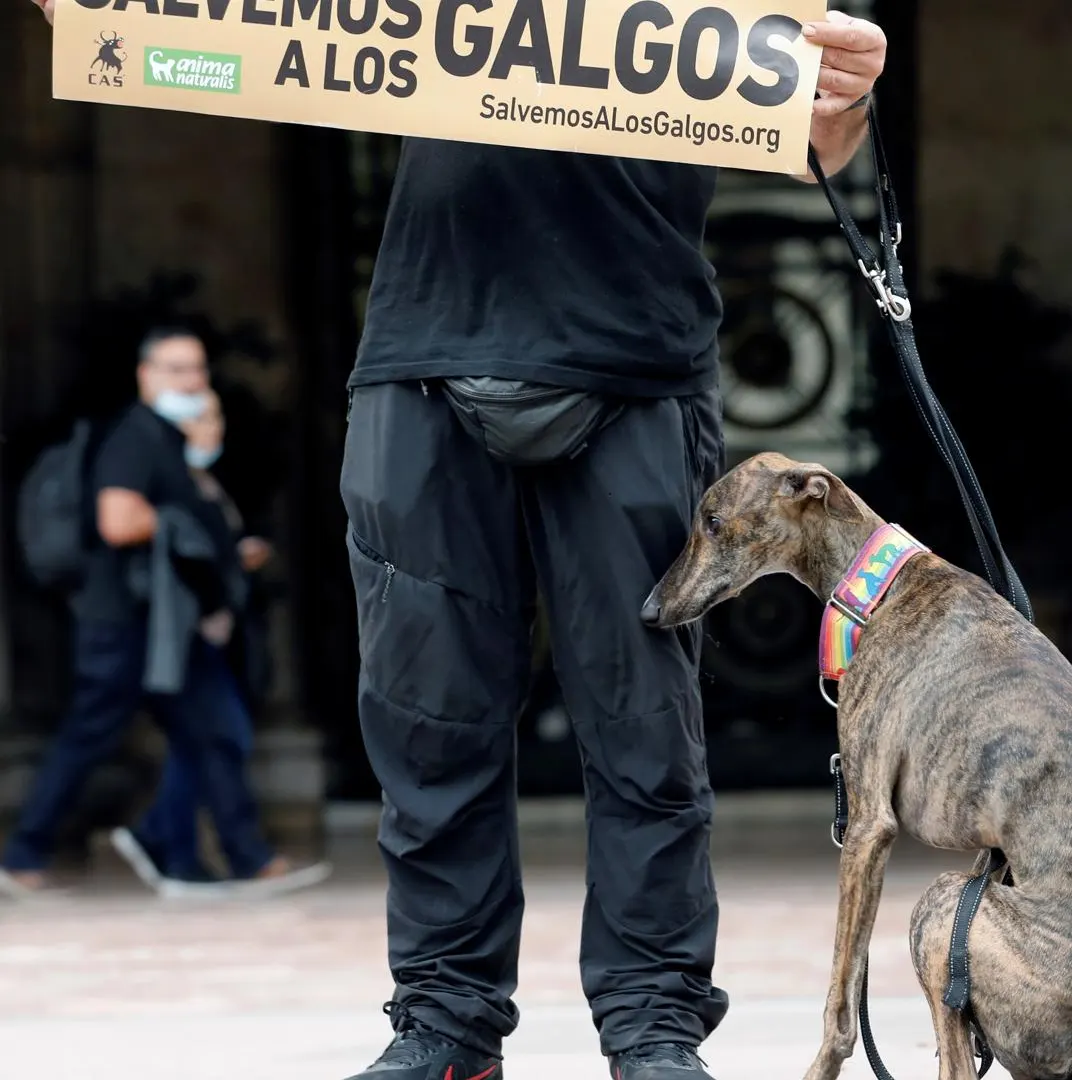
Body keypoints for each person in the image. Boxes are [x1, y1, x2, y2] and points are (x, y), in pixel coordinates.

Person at [26, 1, 890, 1076]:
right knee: (427, 722)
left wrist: (844, 94)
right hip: (424, 348)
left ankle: (654, 1030)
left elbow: (815, 135)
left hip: (632, 358)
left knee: (643, 731)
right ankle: (445, 1026)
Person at [0, 327, 327, 897]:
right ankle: (29, 852)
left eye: (198, 370)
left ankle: (220, 856)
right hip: (125, 621)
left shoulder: (169, 441)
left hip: (166, 624)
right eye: (177, 370)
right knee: (92, 735)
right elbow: (118, 521)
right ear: (146, 375)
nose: (192, 382)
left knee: (215, 728)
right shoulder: (135, 438)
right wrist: (193, 532)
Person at [110, 388, 296, 889]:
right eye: (200, 417)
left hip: (208, 635)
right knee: (223, 733)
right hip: (181, 634)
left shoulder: (206, 484)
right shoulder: (167, 484)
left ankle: (173, 850)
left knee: (199, 744)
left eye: (215, 416)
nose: (210, 428)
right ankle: (242, 855)